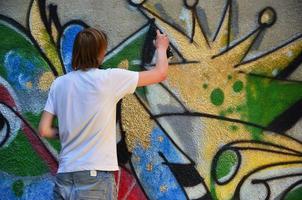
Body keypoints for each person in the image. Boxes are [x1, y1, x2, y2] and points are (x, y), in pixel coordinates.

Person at [38, 27, 169, 200]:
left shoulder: (59, 84)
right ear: (100, 52)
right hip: (95, 179)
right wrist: (161, 48)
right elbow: (159, 74)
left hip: (64, 177)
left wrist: (68, 132)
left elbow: (44, 130)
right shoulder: (109, 79)